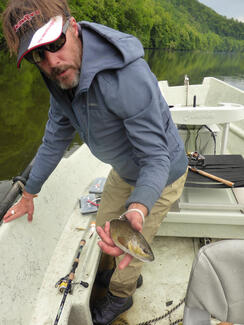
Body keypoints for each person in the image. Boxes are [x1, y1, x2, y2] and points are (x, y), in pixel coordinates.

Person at [2, 0, 188, 324]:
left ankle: (121, 295)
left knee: (132, 242)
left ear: (72, 28)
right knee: (103, 226)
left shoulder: (126, 76)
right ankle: (113, 273)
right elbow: (53, 141)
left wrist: (137, 208)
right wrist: (29, 192)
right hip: (124, 169)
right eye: (37, 55)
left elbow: (156, 159)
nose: (52, 61)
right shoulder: (59, 80)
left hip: (163, 173)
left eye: (55, 44)